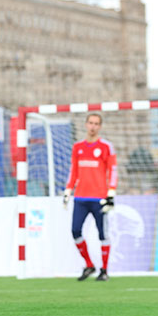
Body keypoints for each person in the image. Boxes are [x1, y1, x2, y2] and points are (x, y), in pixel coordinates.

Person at [63, 113, 117, 282]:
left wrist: (111, 192)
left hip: (99, 198)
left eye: (96, 123)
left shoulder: (106, 147)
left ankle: (104, 270)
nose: (93, 126)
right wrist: (68, 190)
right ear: (86, 124)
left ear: (100, 127)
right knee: (75, 230)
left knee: (103, 234)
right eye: (91, 123)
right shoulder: (77, 147)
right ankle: (89, 264)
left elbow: (113, 170)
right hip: (80, 198)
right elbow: (74, 171)